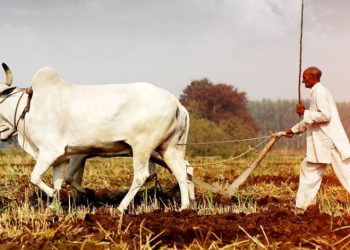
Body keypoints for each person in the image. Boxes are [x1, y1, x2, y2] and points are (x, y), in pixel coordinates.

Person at [286, 66, 350, 209]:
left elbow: (325, 116)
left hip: (329, 143)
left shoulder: (319, 93)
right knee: (309, 169)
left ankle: (303, 206)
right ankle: (303, 206)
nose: (303, 81)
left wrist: (304, 112)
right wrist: (293, 130)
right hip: (324, 143)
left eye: (305, 77)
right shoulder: (320, 92)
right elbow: (312, 119)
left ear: (313, 78)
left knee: (347, 174)